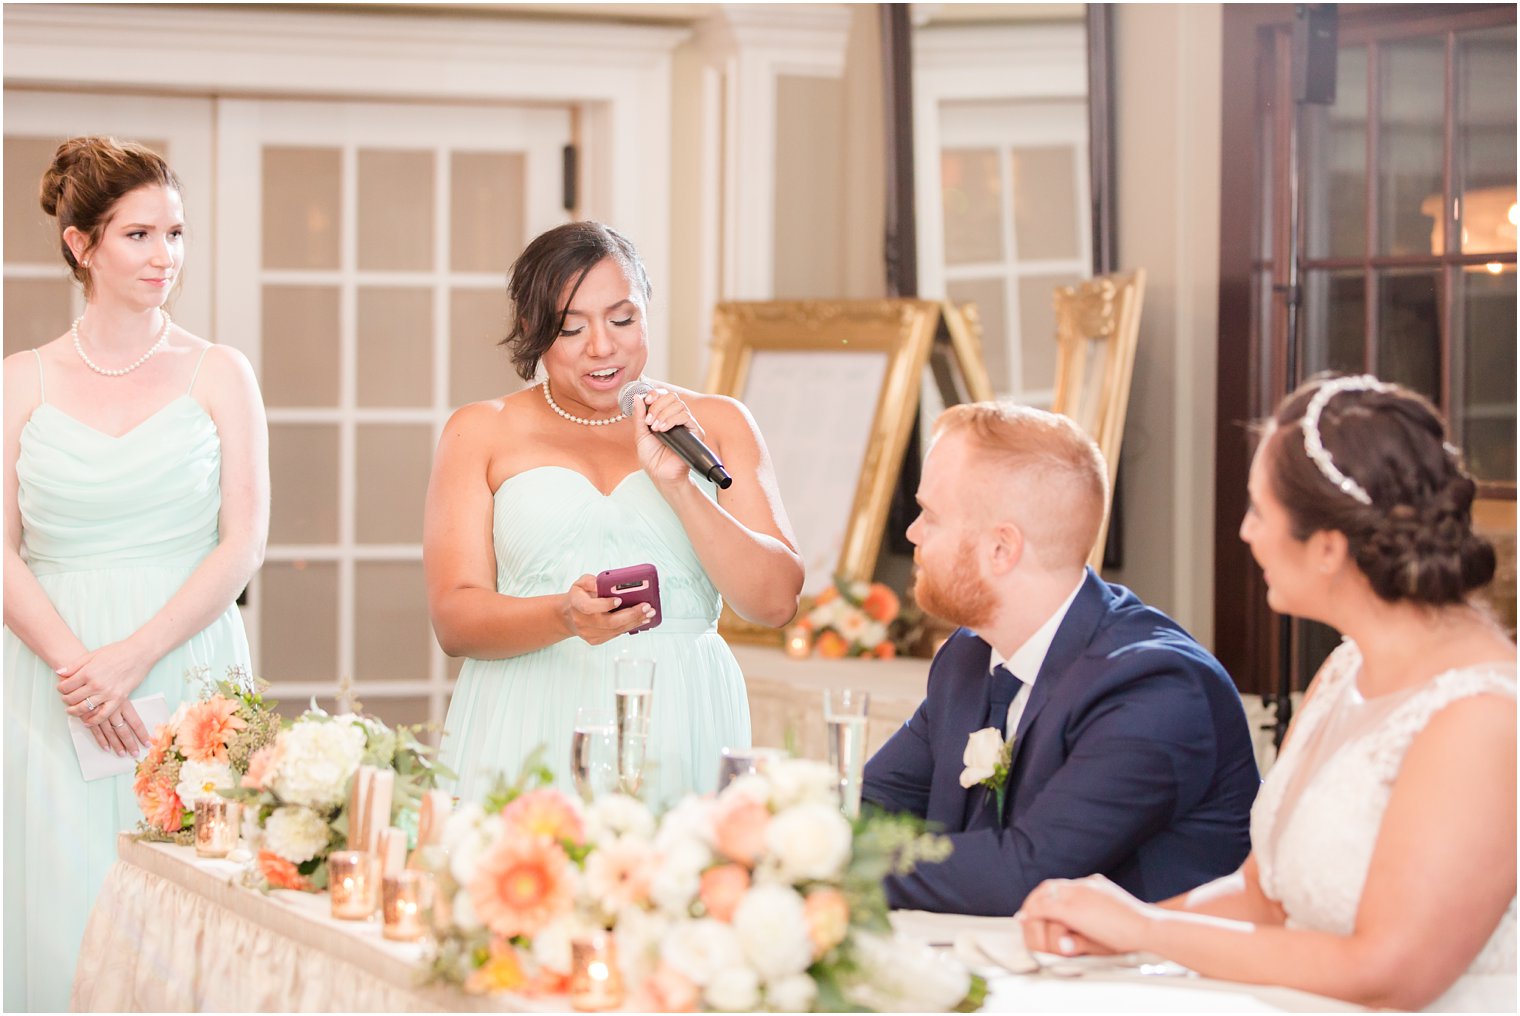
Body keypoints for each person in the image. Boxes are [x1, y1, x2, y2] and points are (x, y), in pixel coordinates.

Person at [1020, 376, 1516, 1012]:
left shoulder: (1482, 716)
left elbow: (1393, 970)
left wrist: (1148, 932)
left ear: (1330, 548)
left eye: (1259, 510)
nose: (1246, 533)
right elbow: (1263, 899)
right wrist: (1110, 932)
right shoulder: (1344, 670)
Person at [3, 137, 269, 1010]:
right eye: (140, 236)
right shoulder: (20, 383)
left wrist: (131, 656)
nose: (167, 258)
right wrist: (80, 668)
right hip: (52, 675)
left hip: (185, 660)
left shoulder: (220, 372)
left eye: (177, 234)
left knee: (192, 906)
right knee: (58, 898)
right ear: (81, 244)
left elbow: (243, 543)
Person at [425, 220, 803, 806]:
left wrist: (678, 485)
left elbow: (775, 601)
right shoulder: (480, 430)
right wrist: (564, 616)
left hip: (679, 716)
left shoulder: (718, 423)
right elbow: (454, 619)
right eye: (572, 328)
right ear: (534, 331)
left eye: (622, 320)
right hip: (527, 714)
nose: (602, 347)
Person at [862, 402, 1259, 915]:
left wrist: (824, 861)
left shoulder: (1156, 685)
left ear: (1002, 549)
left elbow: (1024, 874)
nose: (913, 534)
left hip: (1140, 984)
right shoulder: (967, 656)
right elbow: (870, 807)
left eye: (930, 517)